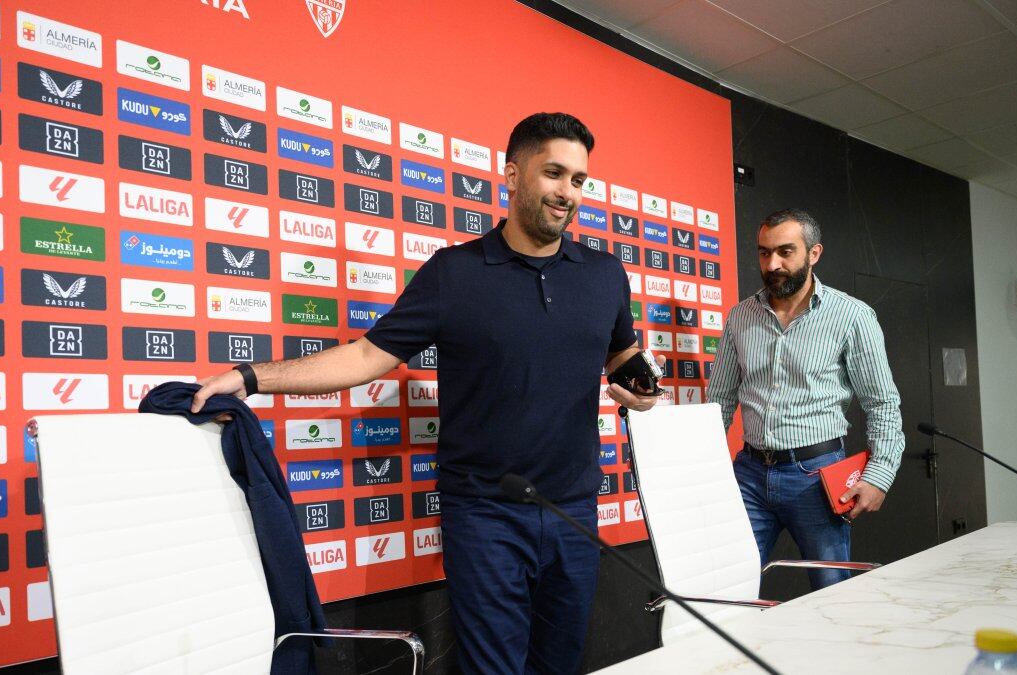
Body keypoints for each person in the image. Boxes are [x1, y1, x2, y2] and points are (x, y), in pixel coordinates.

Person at [191, 112, 663, 673]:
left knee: (561, 665)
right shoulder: (454, 273)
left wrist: (636, 381)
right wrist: (251, 378)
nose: (567, 193)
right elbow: (368, 356)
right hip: (486, 515)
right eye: (553, 173)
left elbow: (618, 350)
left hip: (576, 510)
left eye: (579, 180)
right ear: (512, 175)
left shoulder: (606, 274)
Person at [705, 208, 904, 590]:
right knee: (730, 586)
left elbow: (881, 403)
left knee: (832, 590)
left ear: (814, 254)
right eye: (764, 252)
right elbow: (720, 401)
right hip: (749, 473)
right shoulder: (740, 317)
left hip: (816, 475)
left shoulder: (852, 316)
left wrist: (879, 475)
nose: (772, 263)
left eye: (785, 251)